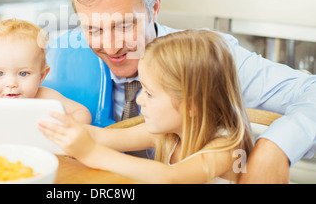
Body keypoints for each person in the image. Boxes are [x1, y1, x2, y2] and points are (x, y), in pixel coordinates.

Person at [0, 0, 316, 183]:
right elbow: (2, 83)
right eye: (93, 29)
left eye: (125, 25)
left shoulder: (203, 61)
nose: (112, 46)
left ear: (155, 6)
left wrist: (275, 146)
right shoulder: (57, 53)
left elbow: (310, 92)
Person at [39, 29, 254, 183]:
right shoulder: (169, 133)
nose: (139, 99)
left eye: (149, 93)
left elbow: (171, 178)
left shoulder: (226, 148)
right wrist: (55, 131)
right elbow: (101, 136)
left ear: (192, 106)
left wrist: (91, 153)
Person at [0, 19, 92, 143]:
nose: (11, 83)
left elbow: (83, 114)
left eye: (23, 73)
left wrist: (61, 128)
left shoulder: (45, 97)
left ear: (41, 76)